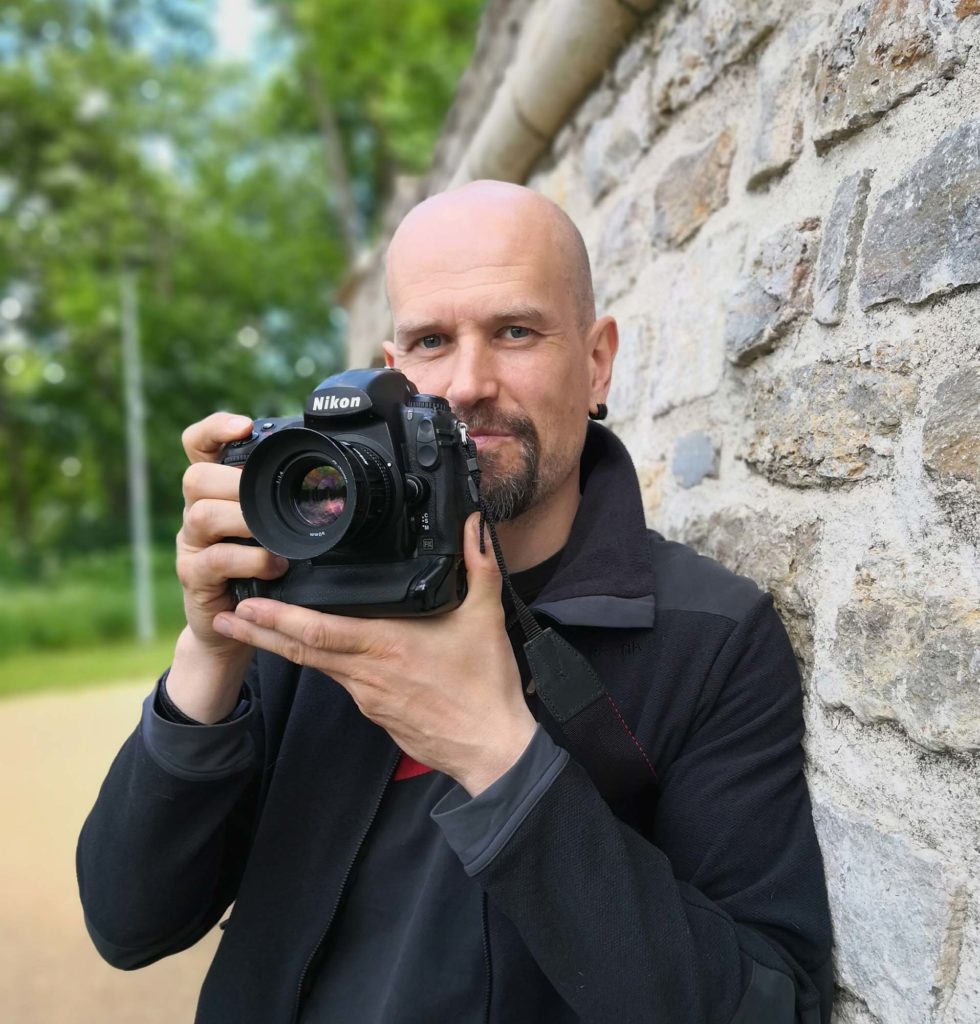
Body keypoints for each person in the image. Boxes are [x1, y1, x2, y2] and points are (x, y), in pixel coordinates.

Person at [77, 180, 833, 1024]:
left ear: (595, 362)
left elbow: (771, 1005)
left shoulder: (709, 639)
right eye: (432, 341)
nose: (469, 384)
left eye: (516, 331)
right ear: (394, 375)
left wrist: (498, 757)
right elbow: (127, 922)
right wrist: (209, 656)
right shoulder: (304, 600)